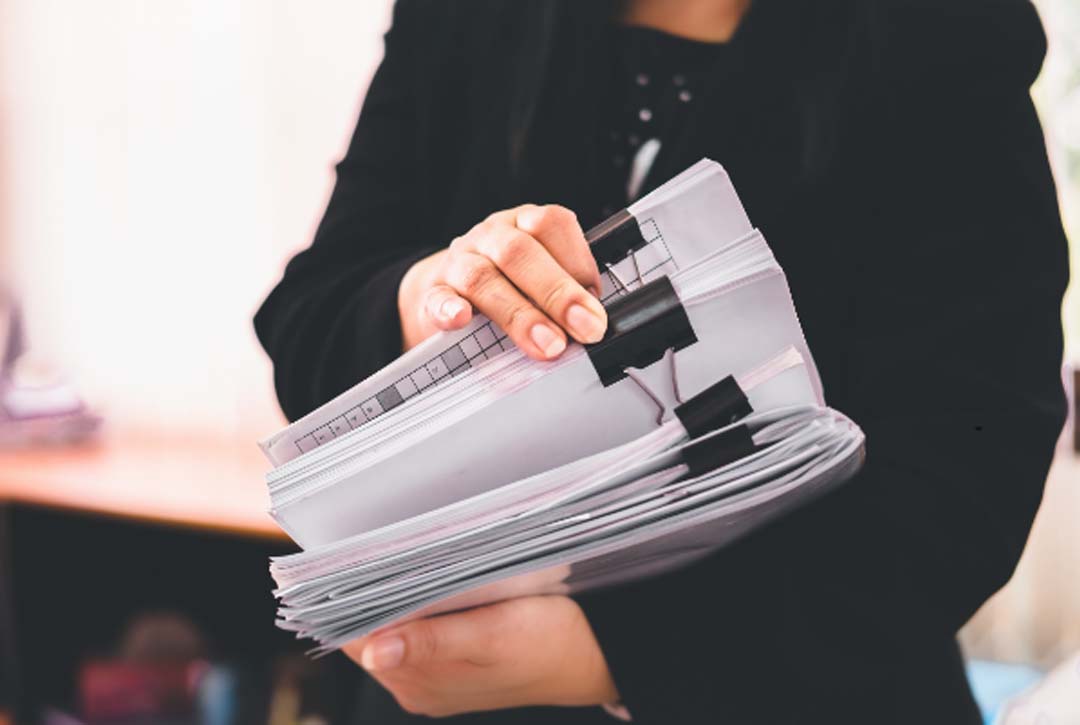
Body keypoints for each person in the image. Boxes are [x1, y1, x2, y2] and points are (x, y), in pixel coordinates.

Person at [254, 0, 1070, 722]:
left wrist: (605, 656)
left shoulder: (945, 27)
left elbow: (973, 460)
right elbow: (308, 317)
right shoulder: (464, 14)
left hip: (808, 682)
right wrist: (440, 292)